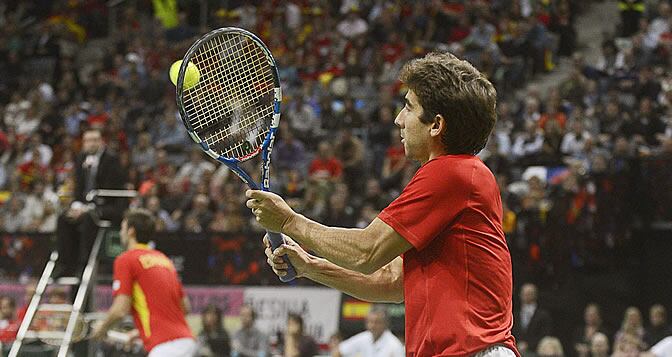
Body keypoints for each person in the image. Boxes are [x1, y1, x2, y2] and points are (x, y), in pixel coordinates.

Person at [247, 52, 519, 356]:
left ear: (436, 125)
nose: (398, 119)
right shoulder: (458, 178)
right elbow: (389, 281)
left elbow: (367, 251)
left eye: (408, 107)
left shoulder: (452, 173)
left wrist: (288, 222)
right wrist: (310, 267)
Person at [91, 208, 196, 356]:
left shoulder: (126, 259)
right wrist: (139, 332)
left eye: (122, 228)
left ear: (131, 231)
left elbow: (120, 309)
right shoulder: (164, 260)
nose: (121, 233)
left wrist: (103, 328)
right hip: (186, 341)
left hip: (166, 347)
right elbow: (185, 307)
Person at [55, 127, 127, 277]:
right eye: (88, 140)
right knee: (63, 218)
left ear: (101, 142)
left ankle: (83, 264)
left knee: (89, 218)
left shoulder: (111, 160)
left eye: (95, 140)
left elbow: (112, 192)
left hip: (108, 206)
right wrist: (76, 206)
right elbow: (79, 189)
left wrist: (89, 208)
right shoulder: (81, 158)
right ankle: (65, 265)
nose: (91, 144)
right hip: (86, 206)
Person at [332, 305, 404, 357]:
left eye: (377, 322)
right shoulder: (365, 337)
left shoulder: (394, 345)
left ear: (385, 323)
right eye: (370, 322)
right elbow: (338, 351)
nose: (372, 326)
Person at [513, 283, 553, 354]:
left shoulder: (543, 315)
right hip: (516, 350)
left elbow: (545, 334)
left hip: (536, 351)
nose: (526, 296)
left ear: (535, 295)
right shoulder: (514, 314)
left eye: (529, 293)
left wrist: (529, 345)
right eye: (524, 293)